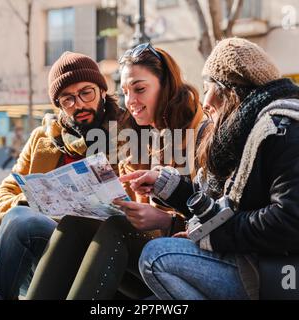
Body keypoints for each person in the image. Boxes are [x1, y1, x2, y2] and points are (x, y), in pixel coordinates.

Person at [120, 38, 299, 300]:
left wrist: (213, 236)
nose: (205, 100)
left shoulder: (291, 131)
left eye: (209, 87)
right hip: (255, 260)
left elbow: (294, 221)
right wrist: (169, 187)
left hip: (289, 273)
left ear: (230, 91)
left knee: (157, 256)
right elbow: (219, 209)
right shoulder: (246, 133)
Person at [0, 51, 126, 300]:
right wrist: (13, 213)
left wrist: (22, 213)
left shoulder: (124, 135)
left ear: (102, 91)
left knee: (21, 219)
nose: (79, 104)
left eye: (86, 92)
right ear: (58, 104)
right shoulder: (43, 138)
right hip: (25, 259)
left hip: (77, 256)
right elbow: (4, 193)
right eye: (67, 99)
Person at [26, 43, 204, 300]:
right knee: (76, 220)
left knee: (115, 228)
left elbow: (221, 220)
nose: (131, 101)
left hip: (187, 259)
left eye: (140, 89)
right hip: (145, 252)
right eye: (125, 91)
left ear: (166, 84)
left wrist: (166, 220)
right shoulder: (137, 137)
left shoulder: (201, 134)